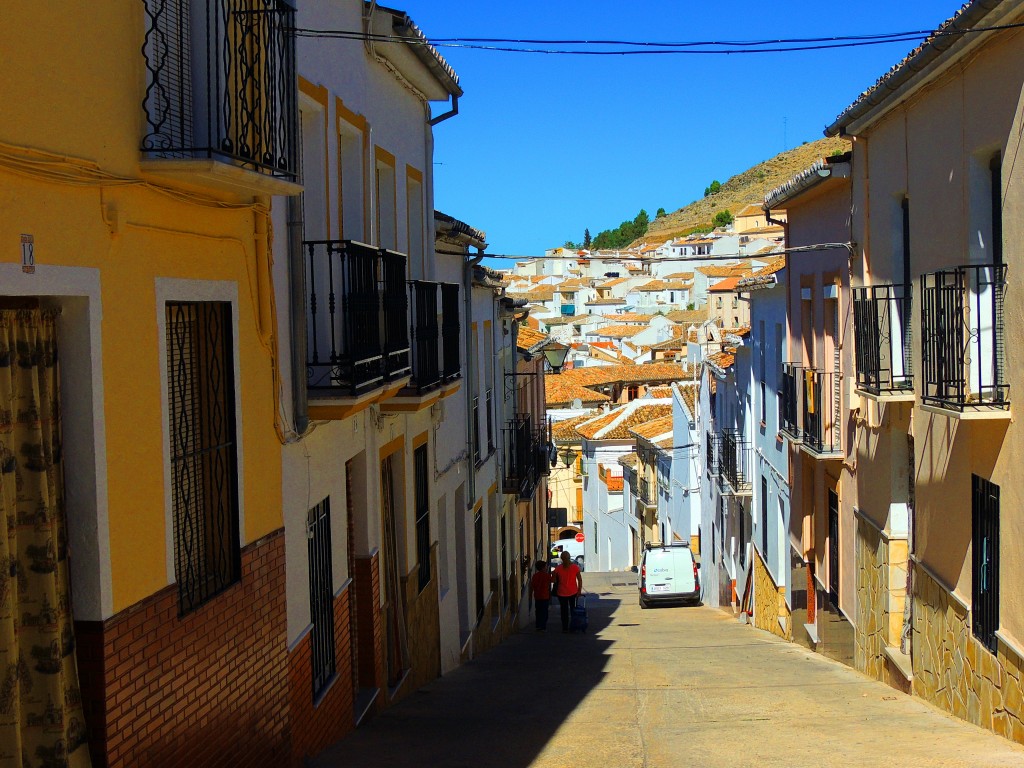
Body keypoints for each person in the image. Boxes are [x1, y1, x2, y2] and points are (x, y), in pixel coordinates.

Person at [552, 551, 583, 633]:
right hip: (573, 592)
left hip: (561, 592)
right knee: (573, 610)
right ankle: (573, 626)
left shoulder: (558, 568)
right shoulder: (575, 567)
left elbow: (554, 580)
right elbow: (579, 579)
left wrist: (553, 575)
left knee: (564, 611)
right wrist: (579, 590)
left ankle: (565, 628)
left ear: (561, 559)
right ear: (569, 557)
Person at [529, 560, 553, 631]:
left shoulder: (535, 576)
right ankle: (543, 626)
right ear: (543, 568)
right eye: (545, 567)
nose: (546, 568)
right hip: (545, 596)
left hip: (537, 596)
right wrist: (554, 574)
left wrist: (530, 595)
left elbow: (532, 586)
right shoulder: (546, 575)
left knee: (538, 611)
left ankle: (538, 625)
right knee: (544, 612)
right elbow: (553, 580)